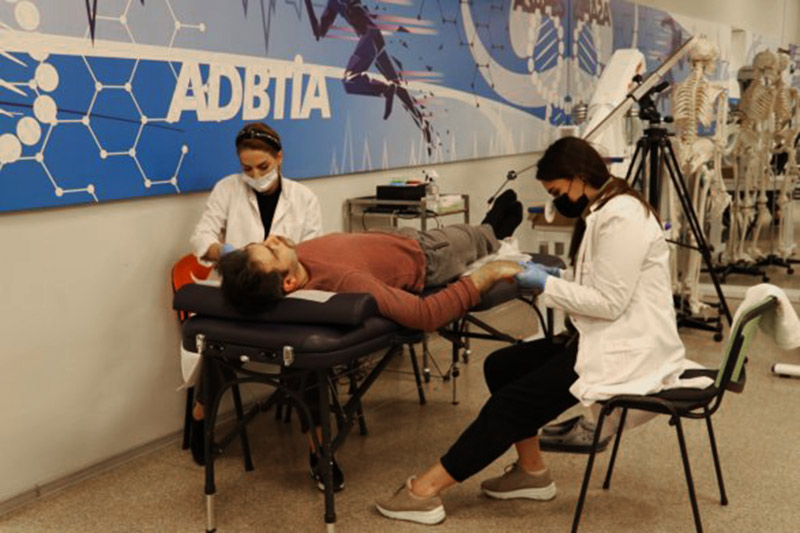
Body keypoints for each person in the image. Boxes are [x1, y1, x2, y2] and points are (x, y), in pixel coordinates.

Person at [373, 136, 713, 525]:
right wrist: (557, 276)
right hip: (604, 337)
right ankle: (531, 472)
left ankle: (425, 491)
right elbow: (604, 283)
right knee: (502, 366)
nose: (557, 201)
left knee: (510, 405)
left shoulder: (621, 217)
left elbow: (609, 303)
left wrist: (545, 283)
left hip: (625, 350)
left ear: (579, 176)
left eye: (556, 192)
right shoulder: (606, 208)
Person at [186, 122, 322, 476]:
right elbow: (201, 237)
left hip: (286, 296)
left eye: (263, 167)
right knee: (217, 347)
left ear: (279, 158)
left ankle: (318, 447)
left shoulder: (304, 198)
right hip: (240, 294)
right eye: (247, 168)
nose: (255, 176)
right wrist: (232, 254)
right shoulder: (228, 189)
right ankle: (201, 415)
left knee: (306, 356)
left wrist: (285, 270)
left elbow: (312, 251)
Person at [217, 218, 524, 332]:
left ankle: (492, 225)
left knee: (480, 229)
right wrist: (487, 274)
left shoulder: (294, 262)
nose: (273, 239)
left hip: (391, 236)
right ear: (289, 283)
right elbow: (425, 315)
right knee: (483, 236)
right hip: (428, 253)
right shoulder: (346, 282)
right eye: (271, 250)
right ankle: (496, 229)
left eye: (261, 243)